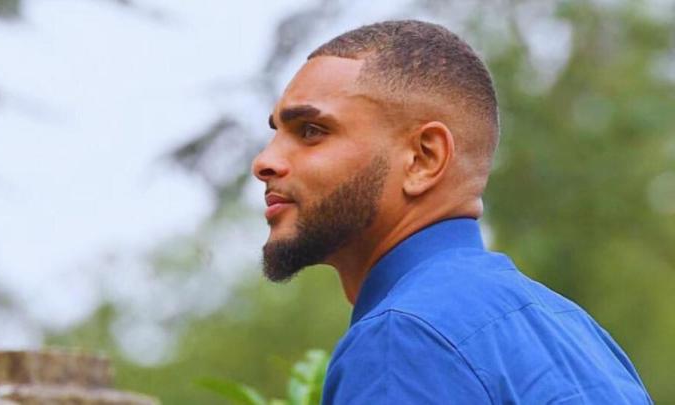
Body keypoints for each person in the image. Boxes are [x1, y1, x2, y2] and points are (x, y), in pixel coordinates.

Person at [251, 20, 652, 404]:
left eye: (311, 131)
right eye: (276, 133)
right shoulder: (575, 333)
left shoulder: (403, 339)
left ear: (423, 159)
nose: (264, 162)